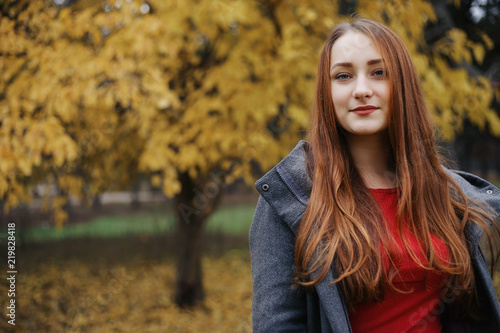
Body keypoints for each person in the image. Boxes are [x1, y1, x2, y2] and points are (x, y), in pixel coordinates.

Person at [249, 18, 500, 333]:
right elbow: (279, 326)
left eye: (379, 73)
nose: (362, 90)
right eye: (343, 76)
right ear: (326, 93)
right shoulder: (292, 199)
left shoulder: (442, 192)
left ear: (403, 86)